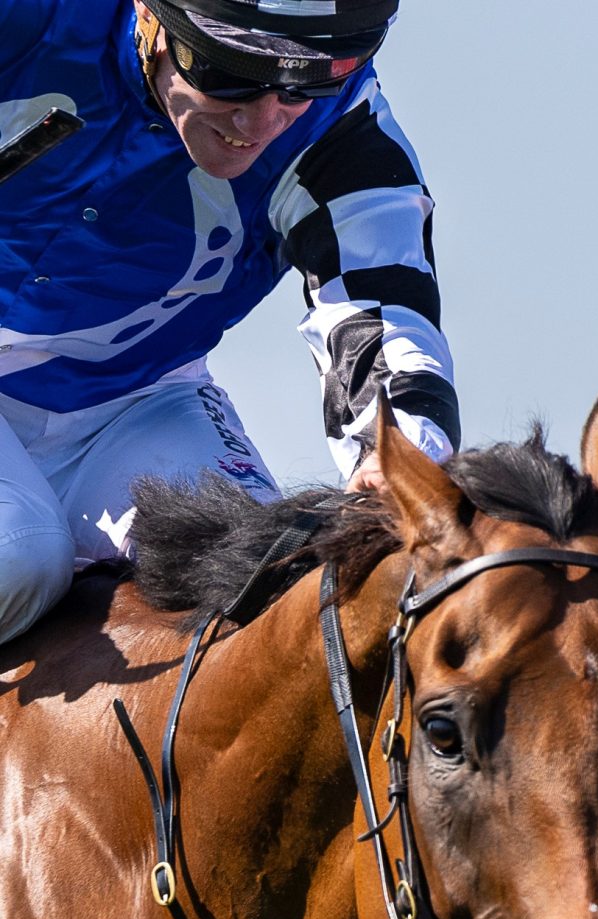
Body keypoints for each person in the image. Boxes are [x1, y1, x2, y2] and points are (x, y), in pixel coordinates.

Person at [0, 0, 455, 643]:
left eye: (312, 79)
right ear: (149, 18)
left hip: (137, 399)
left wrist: (400, 452)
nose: (261, 120)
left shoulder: (341, 130)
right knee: (16, 556)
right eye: (232, 73)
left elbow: (379, 311)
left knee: (273, 601)